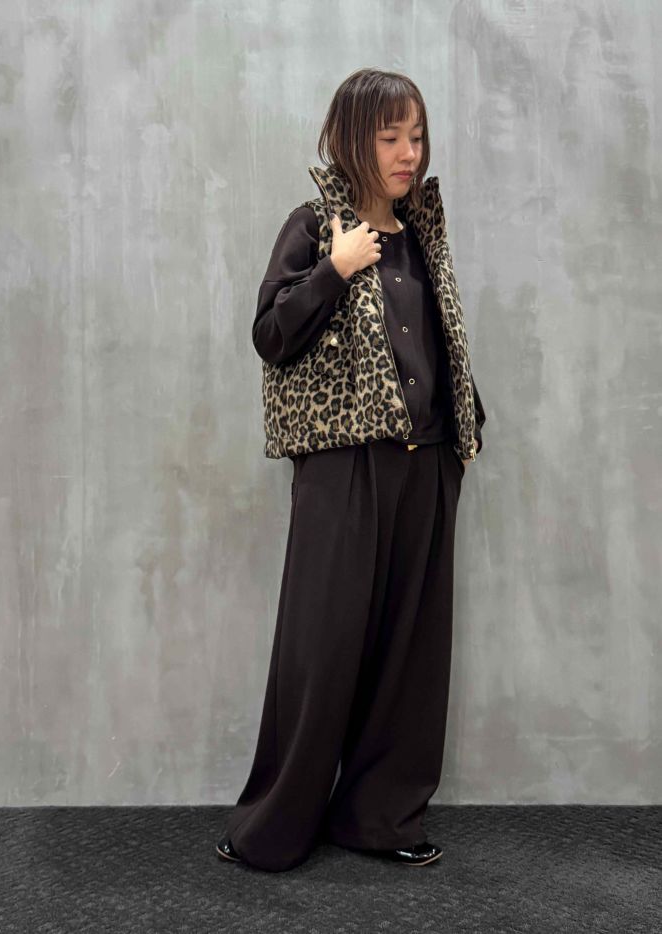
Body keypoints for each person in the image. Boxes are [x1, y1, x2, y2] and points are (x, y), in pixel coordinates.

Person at [216, 67, 486, 873]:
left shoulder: (422, 231)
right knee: (322, 646)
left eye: (417, 136)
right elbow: (270, 336)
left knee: (411, 653)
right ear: (351, 139)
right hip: (344, 466)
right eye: (390, 136)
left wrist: (466, 420)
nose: (409, 154)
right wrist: (334, 269)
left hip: (427, 461)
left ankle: (380, 818)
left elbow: (437, 337)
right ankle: (272, 827)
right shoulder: (314, 225)